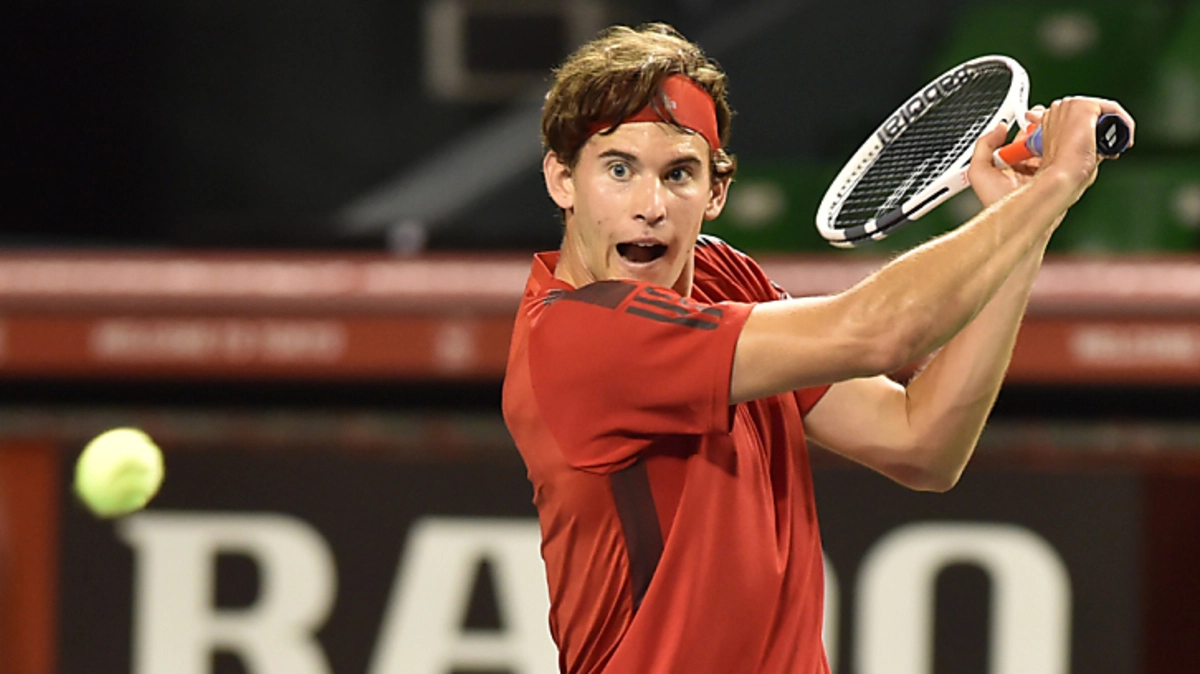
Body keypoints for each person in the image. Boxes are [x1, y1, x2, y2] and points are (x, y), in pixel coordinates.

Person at [502, 22, 1133, 674]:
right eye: (618, 170)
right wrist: (1058, 183)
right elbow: (881, 332)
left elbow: (920, 443)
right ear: (562, 180)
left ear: (716, 192)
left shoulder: (723, 279)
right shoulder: (578, 339)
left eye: (679, 174)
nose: (651, 205)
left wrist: (1024, 219)